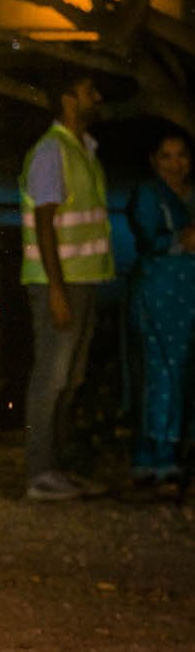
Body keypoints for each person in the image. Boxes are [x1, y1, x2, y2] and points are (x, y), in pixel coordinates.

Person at [19, 73, 114, 500]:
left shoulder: (82, 150)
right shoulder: (51, 152)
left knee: (68, 379)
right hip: (60, 283)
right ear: (68, 99)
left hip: (82, 280)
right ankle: (40, 473)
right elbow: (44, 222)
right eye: (88, 90)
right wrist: (56, 290)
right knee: (52, 379)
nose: (97, 97)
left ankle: (56, 468)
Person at [126, 127, 195, 496]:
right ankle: (155, 459)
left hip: (189, 296)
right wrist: (181, 241)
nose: (175, 164)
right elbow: (148, 238)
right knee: (160, 374)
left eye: (181, 155)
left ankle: (173, 457)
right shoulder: (149, 194)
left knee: (183, 374)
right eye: (166, 156)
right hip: (158, 293)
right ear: (154, 160)